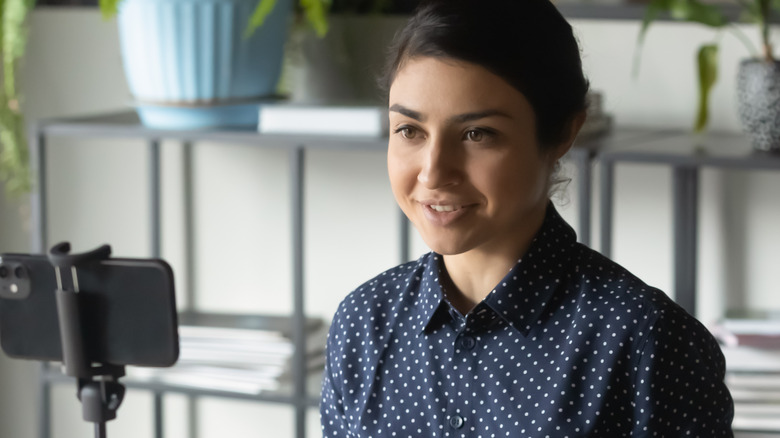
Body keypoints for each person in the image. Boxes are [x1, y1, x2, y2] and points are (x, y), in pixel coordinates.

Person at [320, 0, 734, 436]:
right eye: (410, 130)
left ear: (563, 133)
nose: (434, 172)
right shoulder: (363, 323)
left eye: (477, 134)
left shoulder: (646, 340)